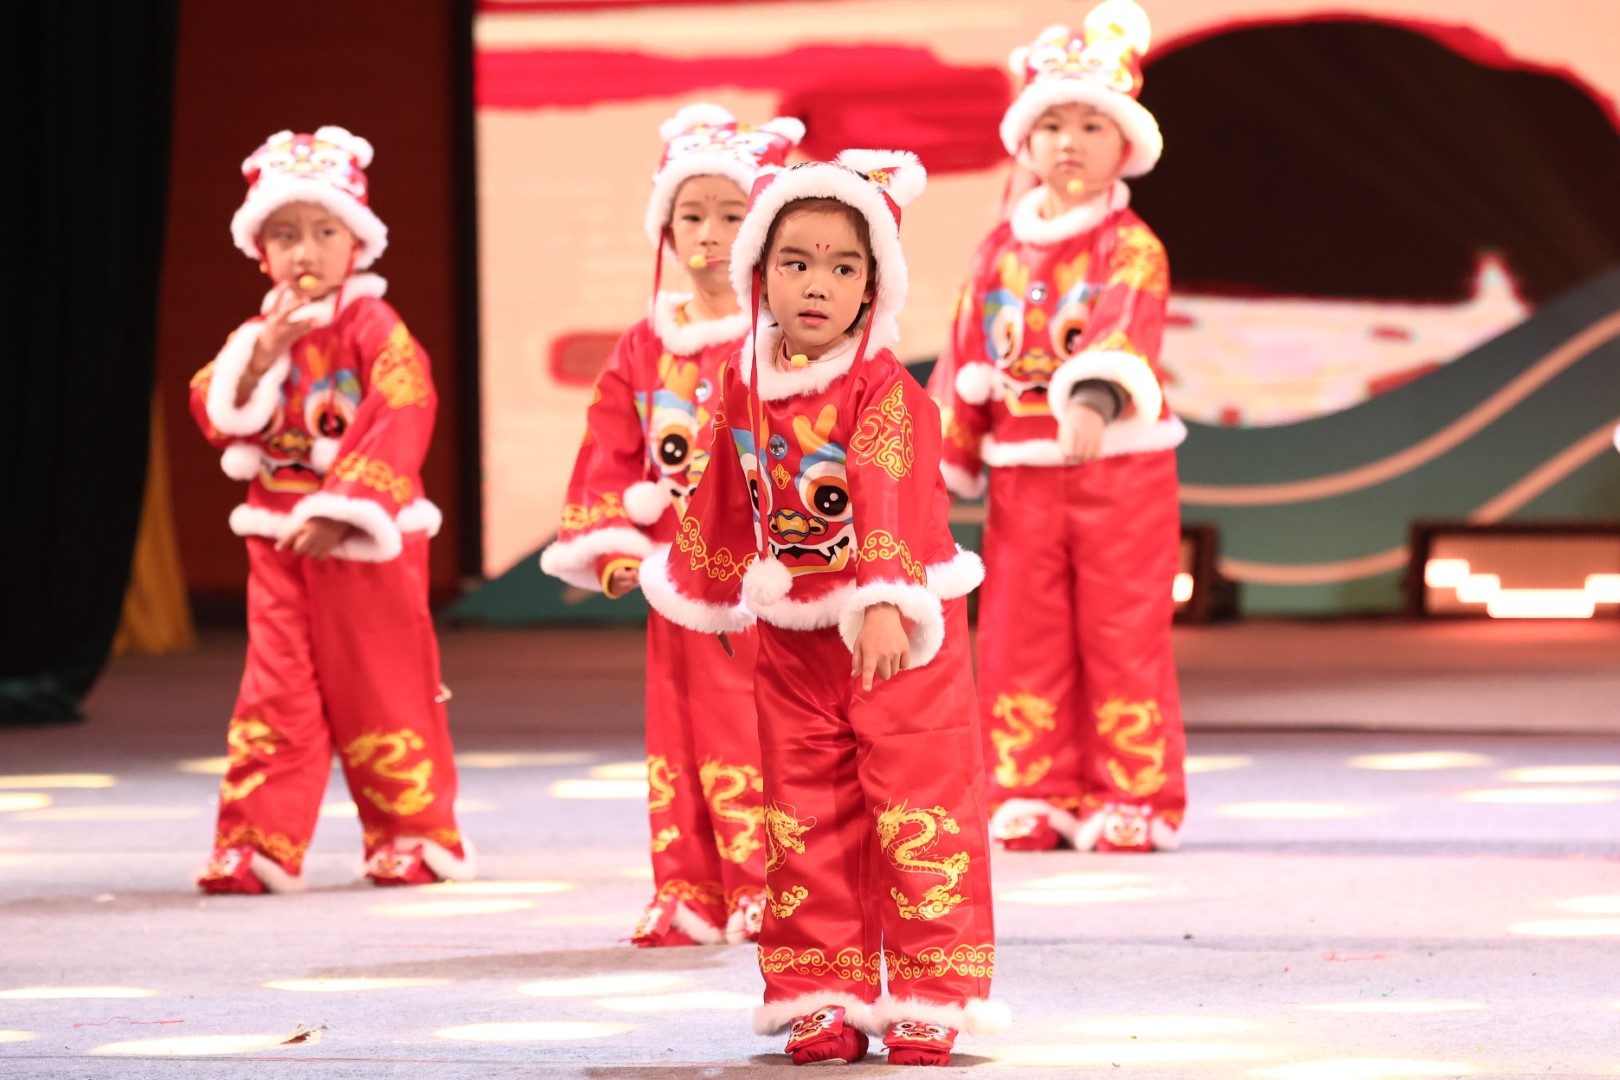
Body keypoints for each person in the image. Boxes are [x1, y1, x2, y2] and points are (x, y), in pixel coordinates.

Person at [640, 150, 1007, 1066]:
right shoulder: (743, 382)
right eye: (796, 262)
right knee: (803, 816)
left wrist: (881, 599)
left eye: (844, 267)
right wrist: (714, 592)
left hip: (900, 636)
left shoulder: (885, 389)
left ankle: (932, 993)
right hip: (794, 630)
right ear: (759, 272)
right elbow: (724, 494)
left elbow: (892, 491)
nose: (817, 285)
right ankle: (819, 990)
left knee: (917, 809)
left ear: (874, 285)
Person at [927, 0, 1188, 853]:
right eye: (1051, 124)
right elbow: (965, 352)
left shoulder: (1131, 245)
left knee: (1121, 630)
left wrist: (1093, 398)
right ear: (1025, 141)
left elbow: (1127, 326)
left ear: (1125, 143)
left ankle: (1135, 795)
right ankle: (1032, 787)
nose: (1068, 141)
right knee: (1020, 631)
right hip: (1023, 474)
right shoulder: (996, 250)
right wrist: (947, 452)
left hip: (1119, 474)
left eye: (1089, 124)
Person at [541, 104, 804, 946]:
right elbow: (610, 449)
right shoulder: (642, 346)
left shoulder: (783, 339)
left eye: (731, 215)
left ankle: (768, 886)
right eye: (692, 216)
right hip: (672, 570)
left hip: (760, 576)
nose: (709, 234)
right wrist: (612, 546)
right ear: (666, 227)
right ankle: (691, 889)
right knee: (680, 728)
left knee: (752, 724)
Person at [188, 126, 471, 893]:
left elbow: (405, 404)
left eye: (323, 231)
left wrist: (344, 508)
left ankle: (413, 834)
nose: (304, 251)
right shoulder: (260, 332)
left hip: (362, 542)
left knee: (382, 683)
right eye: (285, 235)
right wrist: (258, 355)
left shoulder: (374, 327)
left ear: (357, 242)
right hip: (278, 537)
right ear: (260, 249)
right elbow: (213, 408)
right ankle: (256, 842)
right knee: (273, 690)